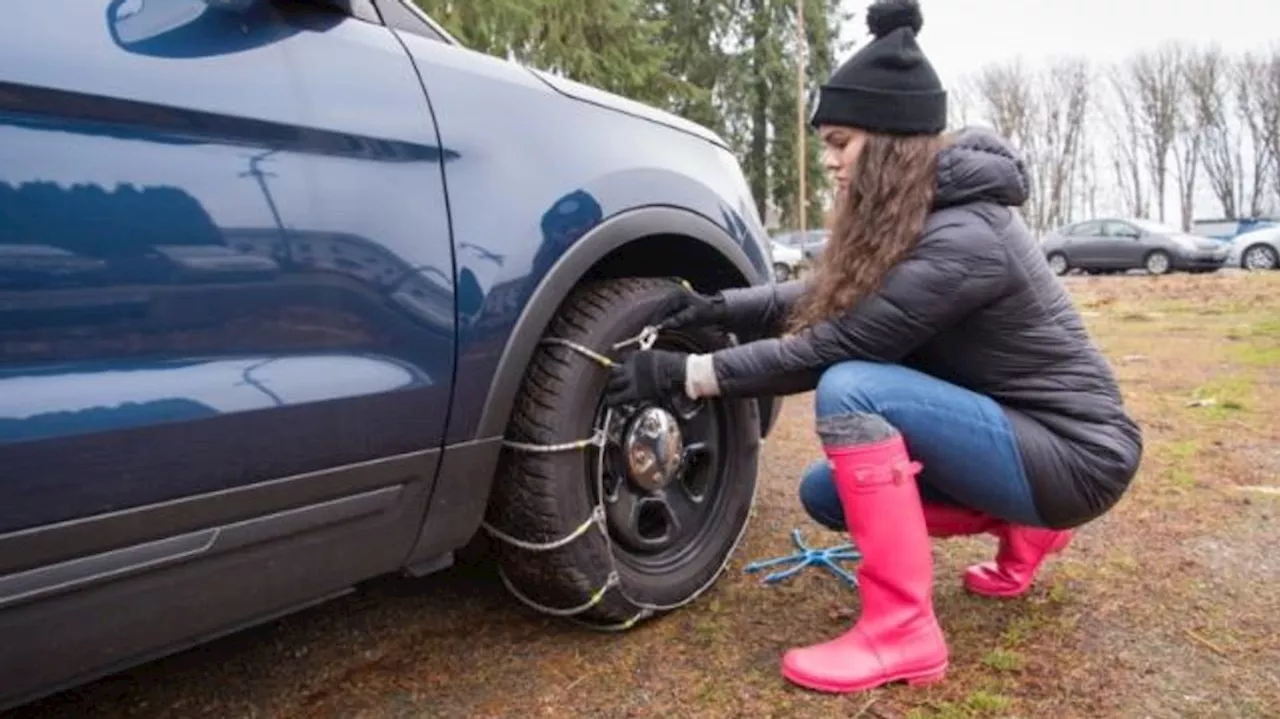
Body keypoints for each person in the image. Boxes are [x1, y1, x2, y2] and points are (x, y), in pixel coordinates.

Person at [603, 0, 1143, 696]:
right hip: (1026, 437)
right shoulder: (916, 218)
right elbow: (825, 295)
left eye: (840, 142)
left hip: (1078, 455)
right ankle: (1024, 526)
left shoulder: (966, 238)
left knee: (853, 385)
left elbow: (840, 340)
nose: (828, 160)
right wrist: (717, 309)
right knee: (826, 493)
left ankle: (903, 630)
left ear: (891, 144)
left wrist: (692, 374)